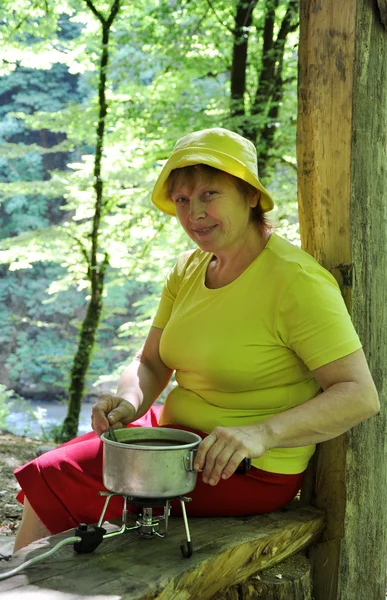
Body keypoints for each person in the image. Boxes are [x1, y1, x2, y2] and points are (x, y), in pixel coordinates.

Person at [13, 127, 379, 552]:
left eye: (210, 194)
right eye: (183, 200)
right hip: (173, 440)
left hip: (241, 466)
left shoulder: (297, 283)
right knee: (52, 477)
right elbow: (150, 363)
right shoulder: (188, 268)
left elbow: (359, 395)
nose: (194, 213)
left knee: (54, 475)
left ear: (251, 196)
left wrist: (264, 432)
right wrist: (130, 402)